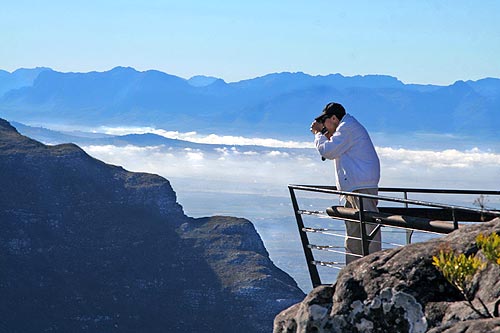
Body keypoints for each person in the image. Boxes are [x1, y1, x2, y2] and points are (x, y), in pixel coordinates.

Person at [310, 102, 381, 264]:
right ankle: (354, 267)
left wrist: (318, 134)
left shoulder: (347, 127)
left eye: (325, 121)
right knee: (354, 230)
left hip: (360, 186)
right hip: (355, 186)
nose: (325, 124)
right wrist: (325, 133)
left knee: (368, 227)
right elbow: (335, 147)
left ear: (333, 118)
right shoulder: (347, 128)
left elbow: (328, 151)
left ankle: (374, 265)